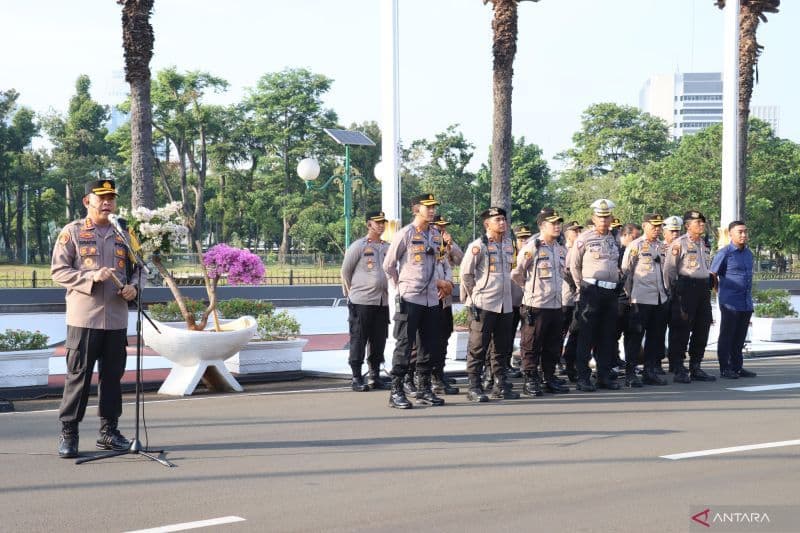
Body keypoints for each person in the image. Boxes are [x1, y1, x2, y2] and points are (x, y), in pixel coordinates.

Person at [51, 179, 139, 459]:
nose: (107, 202)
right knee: (78, 377)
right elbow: (59, 271)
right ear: (86, 201)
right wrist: (91, 276)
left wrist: (134, 287)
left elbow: (140, 269)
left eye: (111, 197)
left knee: (112, 378)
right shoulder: (73, 232)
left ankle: (109, 432)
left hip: (116, 319)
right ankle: (69, 432)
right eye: (100, 197)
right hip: (84, 319)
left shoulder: (125, 232)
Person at [383, 193, 447, 408]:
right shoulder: (405, 234)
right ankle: (396, 390)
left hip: (430, 299)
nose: (431, 210)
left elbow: (440, 262)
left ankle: (424, 389)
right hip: (410, 297)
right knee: (404, 344)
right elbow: (388, 265)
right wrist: (399, 287)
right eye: (427, 207)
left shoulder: (436, 235)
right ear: (415, 209)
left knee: (428, 345)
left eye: (433, 207)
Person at [460, 206, 519, 401]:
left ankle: (500, 384)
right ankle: (474, 386)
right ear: (487, 224)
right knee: (478, 346)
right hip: (484, 303)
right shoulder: (479, 246)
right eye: (497, 220)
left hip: (505, 303)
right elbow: (466, 274)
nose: (502, 223)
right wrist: (474, 297)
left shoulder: (510, 244)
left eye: (503, 219)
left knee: (501, 346)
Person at [512, 208, 570, 396]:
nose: (557, 226)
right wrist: (529, 289)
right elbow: (517, 273)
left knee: (553, 344)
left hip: (555, 303)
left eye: (558, 223)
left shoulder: (560, 249)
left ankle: (549, 377)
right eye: (553, 224)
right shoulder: (532, 247)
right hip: (536, 304)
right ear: (542, 226)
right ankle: (530, 379)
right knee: (532, 344)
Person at [568, 199, 622, 391]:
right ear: (593, 218)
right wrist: (580, 286)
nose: (604, 220)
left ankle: (604, 376)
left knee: (607, 336)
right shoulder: (584, 238)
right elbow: (573, 265)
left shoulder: (614, 238)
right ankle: (583, 377)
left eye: (607, 217)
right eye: (600, 217)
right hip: (591, 290)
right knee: (587, 336)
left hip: (610, 291)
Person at [663, 210, 716, 383]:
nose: (701, 225)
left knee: (703, 327)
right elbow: (669, 270)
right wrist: (674, 291)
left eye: (702, 222)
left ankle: (696, 366)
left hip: (702, 289)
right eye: (697, 222)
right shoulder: (679, 244)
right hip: (685, 288)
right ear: (687, 225)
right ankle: (678, 367)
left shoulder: (704, 244)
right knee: (681, 329)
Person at [340, 211, 390, 392]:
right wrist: (351, 294)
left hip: (381, 301)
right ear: (368, 224)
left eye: (383, 222)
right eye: (377, 222)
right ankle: (356, 376)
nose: (381, 225)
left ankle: (374, 375)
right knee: (359, 338)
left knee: (379, 340)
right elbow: (345, 271)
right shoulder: (358, 246)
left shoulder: (386, 247)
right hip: (361, 300)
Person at [620, 214, 669, 387]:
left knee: (655, 338)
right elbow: (626, 272)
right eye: (653, 226)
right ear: (644, 226)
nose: (657, 230)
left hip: (659, 298)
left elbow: (667, 272)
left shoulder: (663, 246)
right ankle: (630, 373)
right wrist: (630, 295)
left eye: (659, 226)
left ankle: (650, 371)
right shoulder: (636, 246)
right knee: (635, 337)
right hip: (640, 298)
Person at [711, 221, 757, 379]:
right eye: (740, 232)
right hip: (730, 302)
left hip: (745, 302)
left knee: (740, 337)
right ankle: (725, 367)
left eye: (745, 231)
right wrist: (720, 291)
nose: (743, 235)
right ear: (730, 234)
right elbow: (713, 275)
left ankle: (738, 366)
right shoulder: (724, 253)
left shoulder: (748, 254)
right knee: (727, 335)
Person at [561, 220, 583, 382]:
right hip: (564, 298)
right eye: (575, 231)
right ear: (567, 234)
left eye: (579, 230)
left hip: (577, 299)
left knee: (575, 332)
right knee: (558, 334)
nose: (578, 233)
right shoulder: (562, 250)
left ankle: (571, 364)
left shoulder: (581, 249)